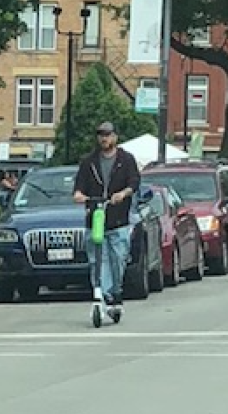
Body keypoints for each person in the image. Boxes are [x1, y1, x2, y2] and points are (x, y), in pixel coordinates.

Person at [72, 121, 141, 313]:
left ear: (115, 137)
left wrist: (123, 194)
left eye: (108, 134)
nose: (104, 138)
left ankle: (115, 292)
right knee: (97, 260)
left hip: (118, 220)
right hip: (95, 220)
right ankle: (102, 295)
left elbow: (134, 182)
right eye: (101, 135)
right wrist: (80, 196)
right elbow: (79, 187)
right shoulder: (89, 162)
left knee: (118, 259)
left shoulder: (126, 160)